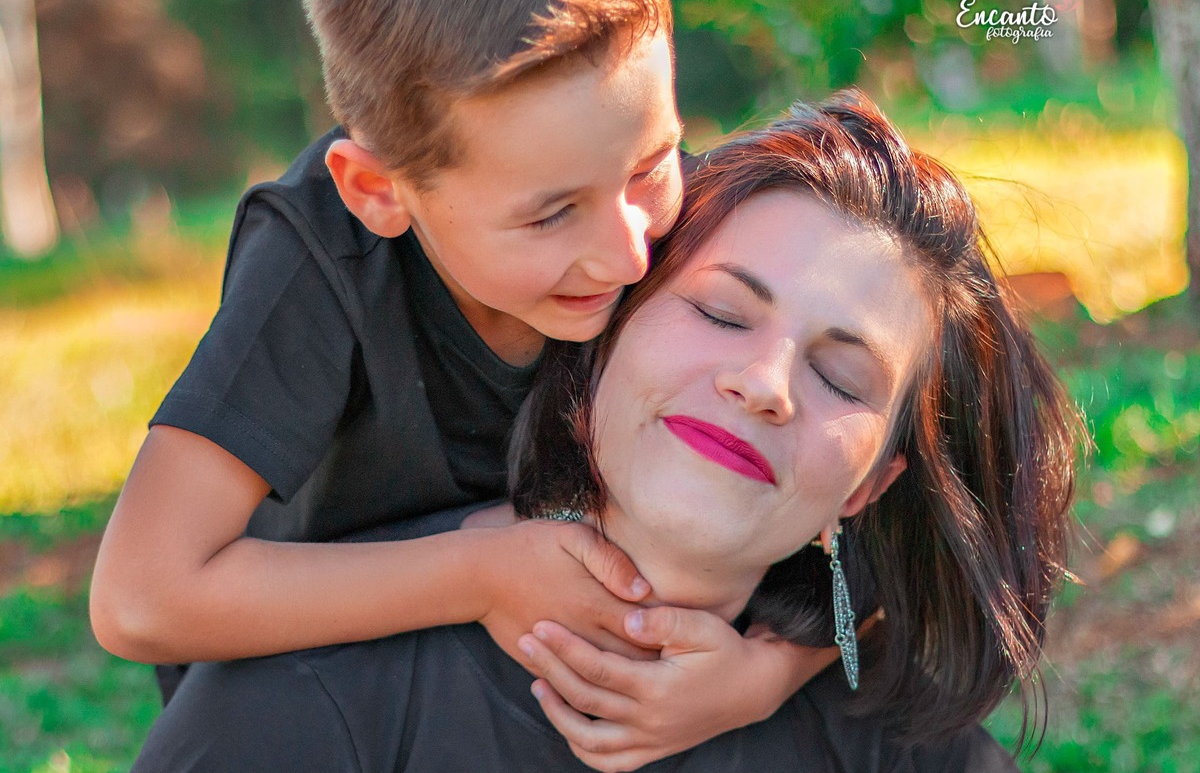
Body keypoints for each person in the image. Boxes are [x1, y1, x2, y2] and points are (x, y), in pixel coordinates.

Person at [132, 92, 1079, 772]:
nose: (763, 384)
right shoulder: (293, 716)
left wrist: (765, 673)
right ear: (593, 351)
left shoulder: (895, 742)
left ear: (869, 486)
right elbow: (146, 592)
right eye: (719, 313)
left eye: (838, 376)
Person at [89, 0, 830, 766]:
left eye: (652, 166)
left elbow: (917, 493)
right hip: (335, 716)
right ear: (377, 190)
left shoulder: (678, 224)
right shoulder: (319, 266)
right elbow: (139, 595)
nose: (627, 255)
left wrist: (764, 674)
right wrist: (481, 574)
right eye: (551, 216)